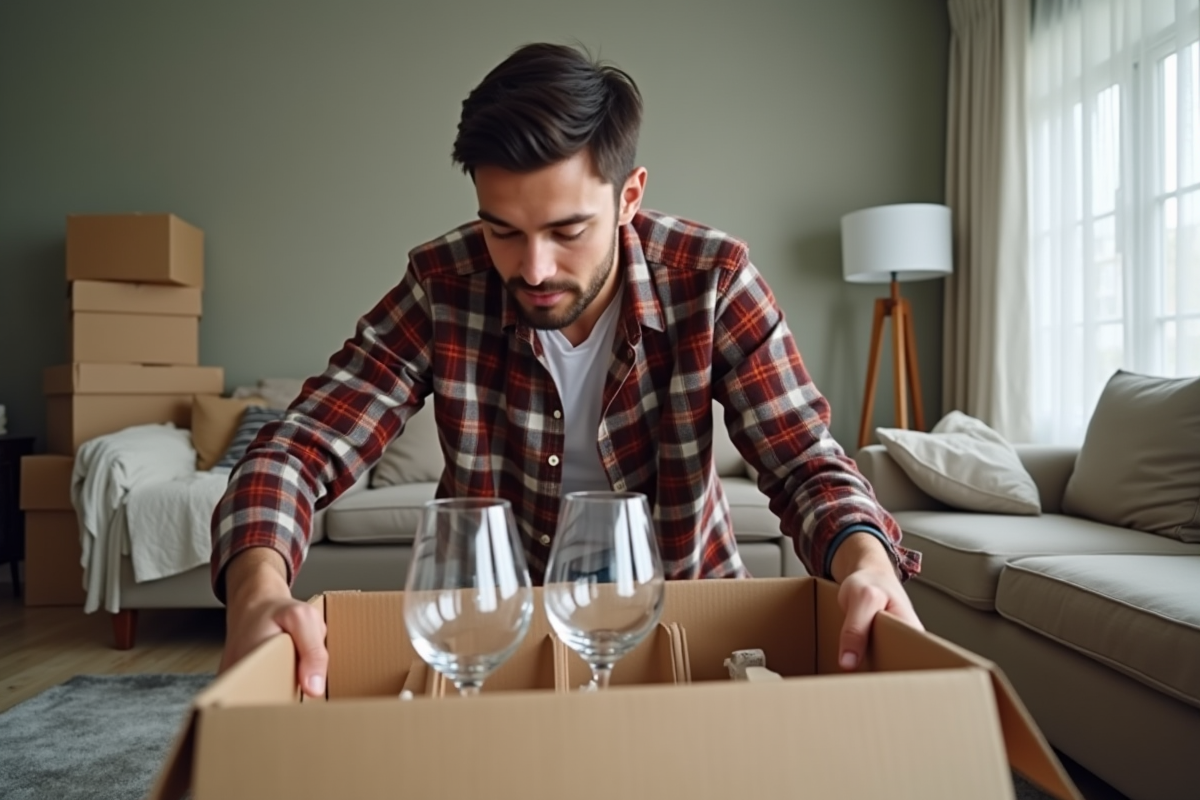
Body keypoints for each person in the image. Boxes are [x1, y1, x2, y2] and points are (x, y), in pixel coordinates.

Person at [211, 42, 923, 697]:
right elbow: (299, 448)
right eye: (502, 231)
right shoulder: (443, 283)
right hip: (493, 636)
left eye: (567, 230)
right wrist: (256, 591)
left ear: (629, 197)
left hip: (690, 625)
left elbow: (804, 462)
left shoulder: (713, 279)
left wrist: (865, 560)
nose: (534, 268)